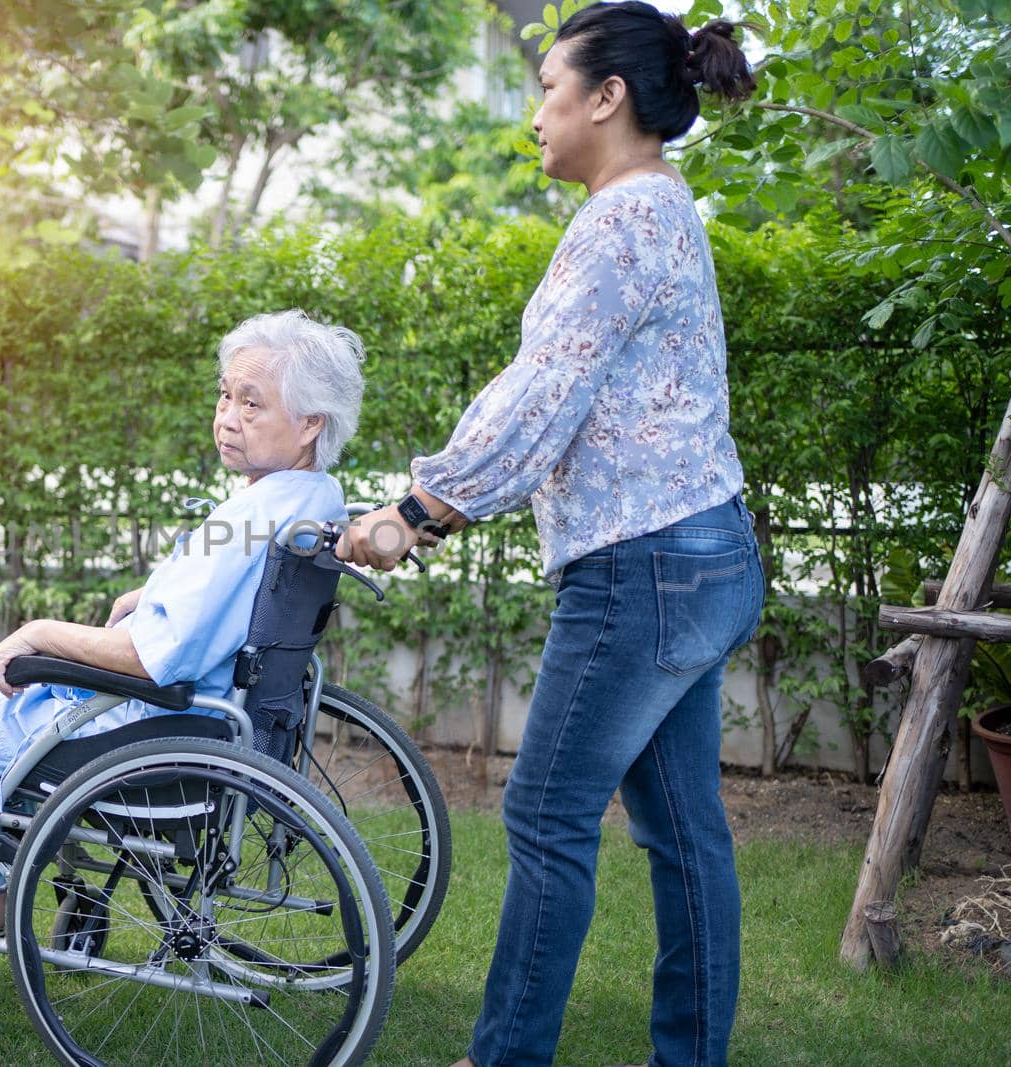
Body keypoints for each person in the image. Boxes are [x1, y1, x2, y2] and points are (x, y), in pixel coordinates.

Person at [334, 4, 763, 1064]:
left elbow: (543, 394)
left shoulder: (621, 220)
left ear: (605, 97)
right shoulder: (664, 208)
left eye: (546, 86)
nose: (535, 113)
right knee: (680, 827)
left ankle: (505, 1054)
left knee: (544, 815)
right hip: (702, 553)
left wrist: (420, 509)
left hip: (644, 565)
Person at [0, 308, 365, 946]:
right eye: (226, 395)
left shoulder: (245, 519)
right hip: (220, 717)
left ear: (311, 422)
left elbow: (150, 659)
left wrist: (39, 632)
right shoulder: (311, 498)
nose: (228, 417)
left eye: (252, 404)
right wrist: (155, 592)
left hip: (156, 725)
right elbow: (240, 588)